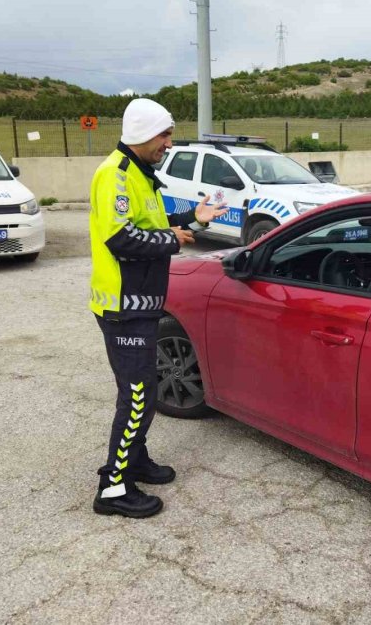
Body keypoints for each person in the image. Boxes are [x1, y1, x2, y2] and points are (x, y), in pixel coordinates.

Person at [89, 98, 226, 518]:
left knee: (143, 392)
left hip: (141, 305)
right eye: (164, 135)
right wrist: (172, 240)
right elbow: (121, 239)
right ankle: (113, 488)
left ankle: (136, 460)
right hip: (122, 307)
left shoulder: (141, 175)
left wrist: (196, 219)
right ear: (143, 134)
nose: (169, 143)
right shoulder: (115, 174)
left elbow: (157, 222)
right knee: (137, 395)